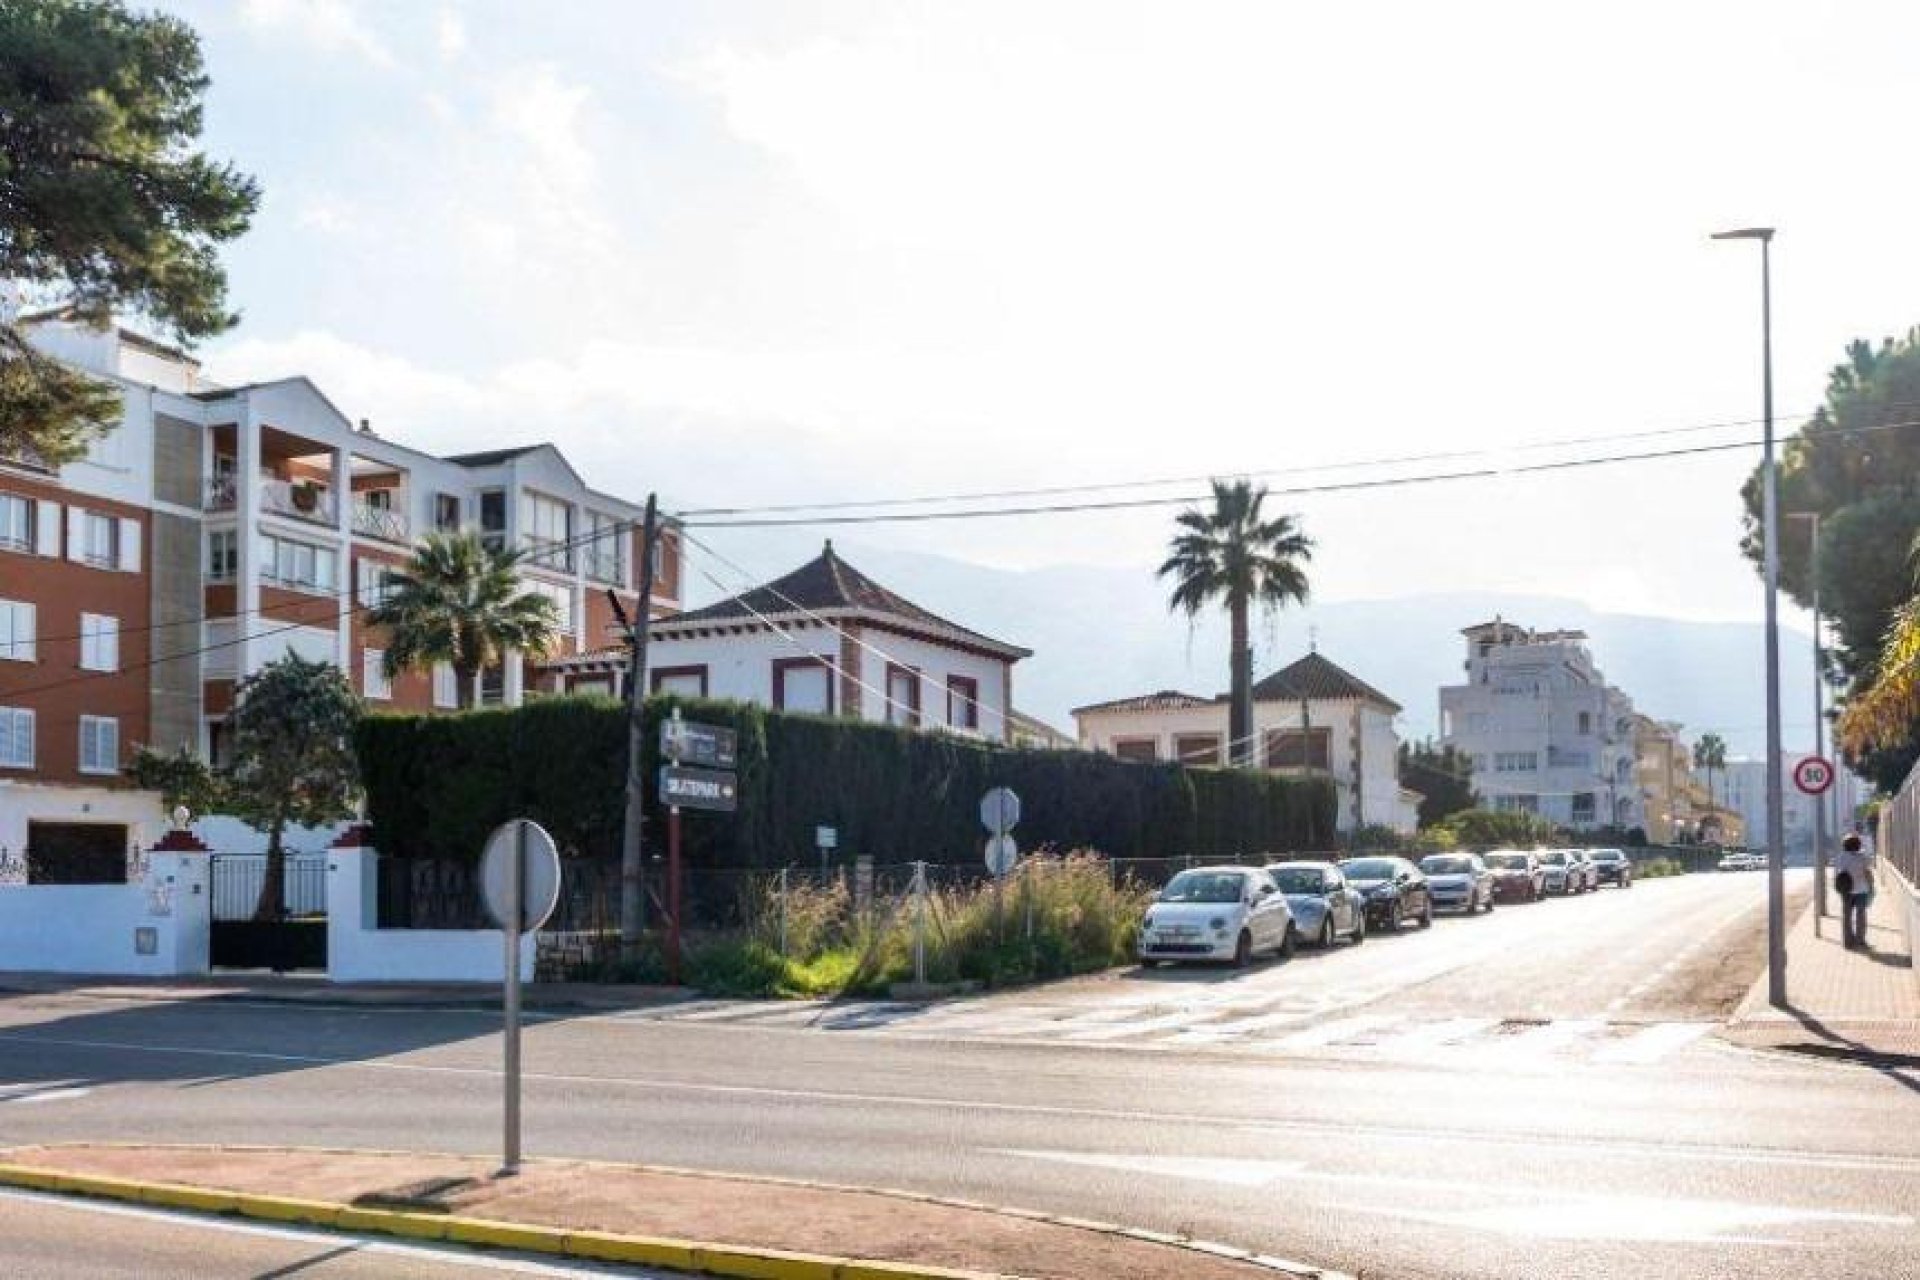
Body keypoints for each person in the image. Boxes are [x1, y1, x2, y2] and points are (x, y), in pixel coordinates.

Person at [1832, 832, 1873, 949]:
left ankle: (1848, 942)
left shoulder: (1840, 857)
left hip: (1846, 891)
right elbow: (1867, 873)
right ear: (1858, 845)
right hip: (1861, 890)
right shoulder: (1863, 857)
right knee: (1861, 916)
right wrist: (1871, 887)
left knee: (1846, 916)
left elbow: (1838, 873)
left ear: (1844, 845)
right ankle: (1860, 940)